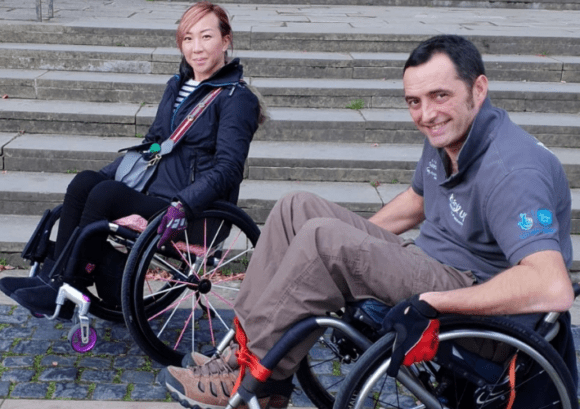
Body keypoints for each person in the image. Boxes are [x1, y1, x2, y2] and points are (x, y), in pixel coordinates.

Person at [159, 34, 577, 409]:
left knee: (324, 240)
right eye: (415, 101)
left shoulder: (513, 171)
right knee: (296, 210)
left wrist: (433, 302)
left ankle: (252, 378)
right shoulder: (450, 136)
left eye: (439, 96)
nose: (427, 114)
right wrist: (352, 245)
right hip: (431, 266)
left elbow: (551, 286)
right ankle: (245, 362)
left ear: (478, 89)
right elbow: (417, 200)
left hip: (479, 308)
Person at [0, 1, 264, 317]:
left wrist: (184, 203)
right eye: (188, 38)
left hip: (195, 212)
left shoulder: (237, 98)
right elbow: (152, 146)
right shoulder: (177, 85)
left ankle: (72, 284)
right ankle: (55, 280)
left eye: (206, 37)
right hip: (155, 194)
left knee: (104, 195)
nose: (196, 48)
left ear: (226, 39)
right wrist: (106, 173)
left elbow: (229, 169)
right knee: (86, 182)